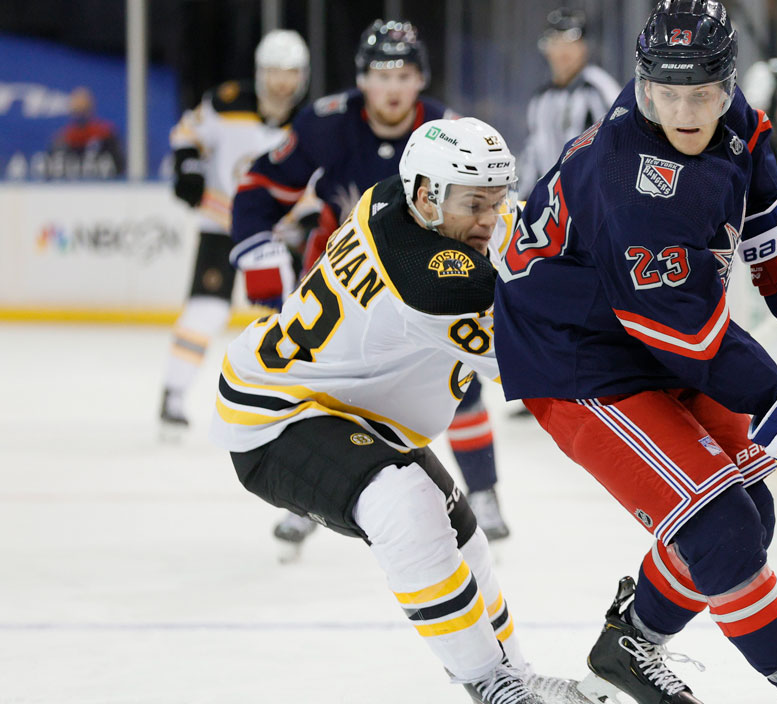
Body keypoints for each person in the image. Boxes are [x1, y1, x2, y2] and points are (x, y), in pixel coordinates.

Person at [493, 0, 777, 704]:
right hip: (578, 354)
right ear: (645, 84)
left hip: (641, 329)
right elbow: (690, 337)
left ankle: (630, 644)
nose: (684, 110)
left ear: (726, 83)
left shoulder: (710, 102)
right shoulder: (632, 187)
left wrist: (774, 232)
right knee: (721, 529)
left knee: (750, 510)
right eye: (668, 94)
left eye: (702, 93)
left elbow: (750, 139)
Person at [212, 117, 588, 704]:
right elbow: (557, 364)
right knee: (406, 504)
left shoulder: (392, 198)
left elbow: (510, 239)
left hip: (348, 407)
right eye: (475, 205)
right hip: (277, 416)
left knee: (465, 543)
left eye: (496, 199)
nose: (490, 219)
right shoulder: (433, 283)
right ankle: (492, 684)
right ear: (427, 197)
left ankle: (514, 674)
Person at [229, 19, 513, 551]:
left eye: (404, 75)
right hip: (351, 285)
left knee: (461, 382)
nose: (393, 88)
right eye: (381, 75)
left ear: (420, 80)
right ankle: (312, 493)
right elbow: (258, 187)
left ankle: (484, 491)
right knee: (330, 387)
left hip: (431, 282)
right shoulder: (325, 124)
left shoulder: (449, 131)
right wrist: (257, 252)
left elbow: (492, 209)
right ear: (361, 81)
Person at [160, 29, 310, 433]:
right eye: (275, 71)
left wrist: (310, 218)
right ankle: (173, 395)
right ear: (260, 72)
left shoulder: (310, 124)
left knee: (294, 316)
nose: (282, 82)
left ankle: (296, 401)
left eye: (291, 73)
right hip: (223, 226)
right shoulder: (225, 104)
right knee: (206, 309)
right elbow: (186, 133)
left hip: (277, 235)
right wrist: (189, 167)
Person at [517, 8, 621, 198]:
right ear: (546, 48)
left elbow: (619, 147)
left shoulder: (599, 88)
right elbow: (532, 159)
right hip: (553, 204)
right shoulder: (541, 100)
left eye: (571, 42)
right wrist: (521, 202)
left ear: (584, 47)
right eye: (556, 42)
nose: (563, 51)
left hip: (592, 202)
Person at [48, 87, 124, 179]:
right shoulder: (62, 138)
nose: (80, 115)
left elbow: (120, 166)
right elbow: (52, 168)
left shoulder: (105, 135)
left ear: (90, 110)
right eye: (77, 110)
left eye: (83, 110)